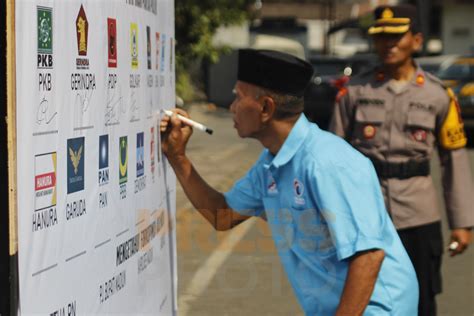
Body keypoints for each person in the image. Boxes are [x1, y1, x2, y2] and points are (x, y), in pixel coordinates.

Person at [161, 49, 418, 315]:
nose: (232, 106)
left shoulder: (327, 163)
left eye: (239, 97)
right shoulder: (270, 164)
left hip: (378, 308)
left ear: (265, 108)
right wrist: (178, 157)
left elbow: (368, 256)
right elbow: (222, 215)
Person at [329, 4, 473, 316]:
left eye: (397, 36)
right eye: (381, 37)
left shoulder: (438, 95)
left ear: (417, 41)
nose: (388, 44)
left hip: (418, 217)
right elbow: (333, 158)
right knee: (364, 298)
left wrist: (461, 222)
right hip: (366, 214)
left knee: (422, 299)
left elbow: (454, 160)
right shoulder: (354, 91)